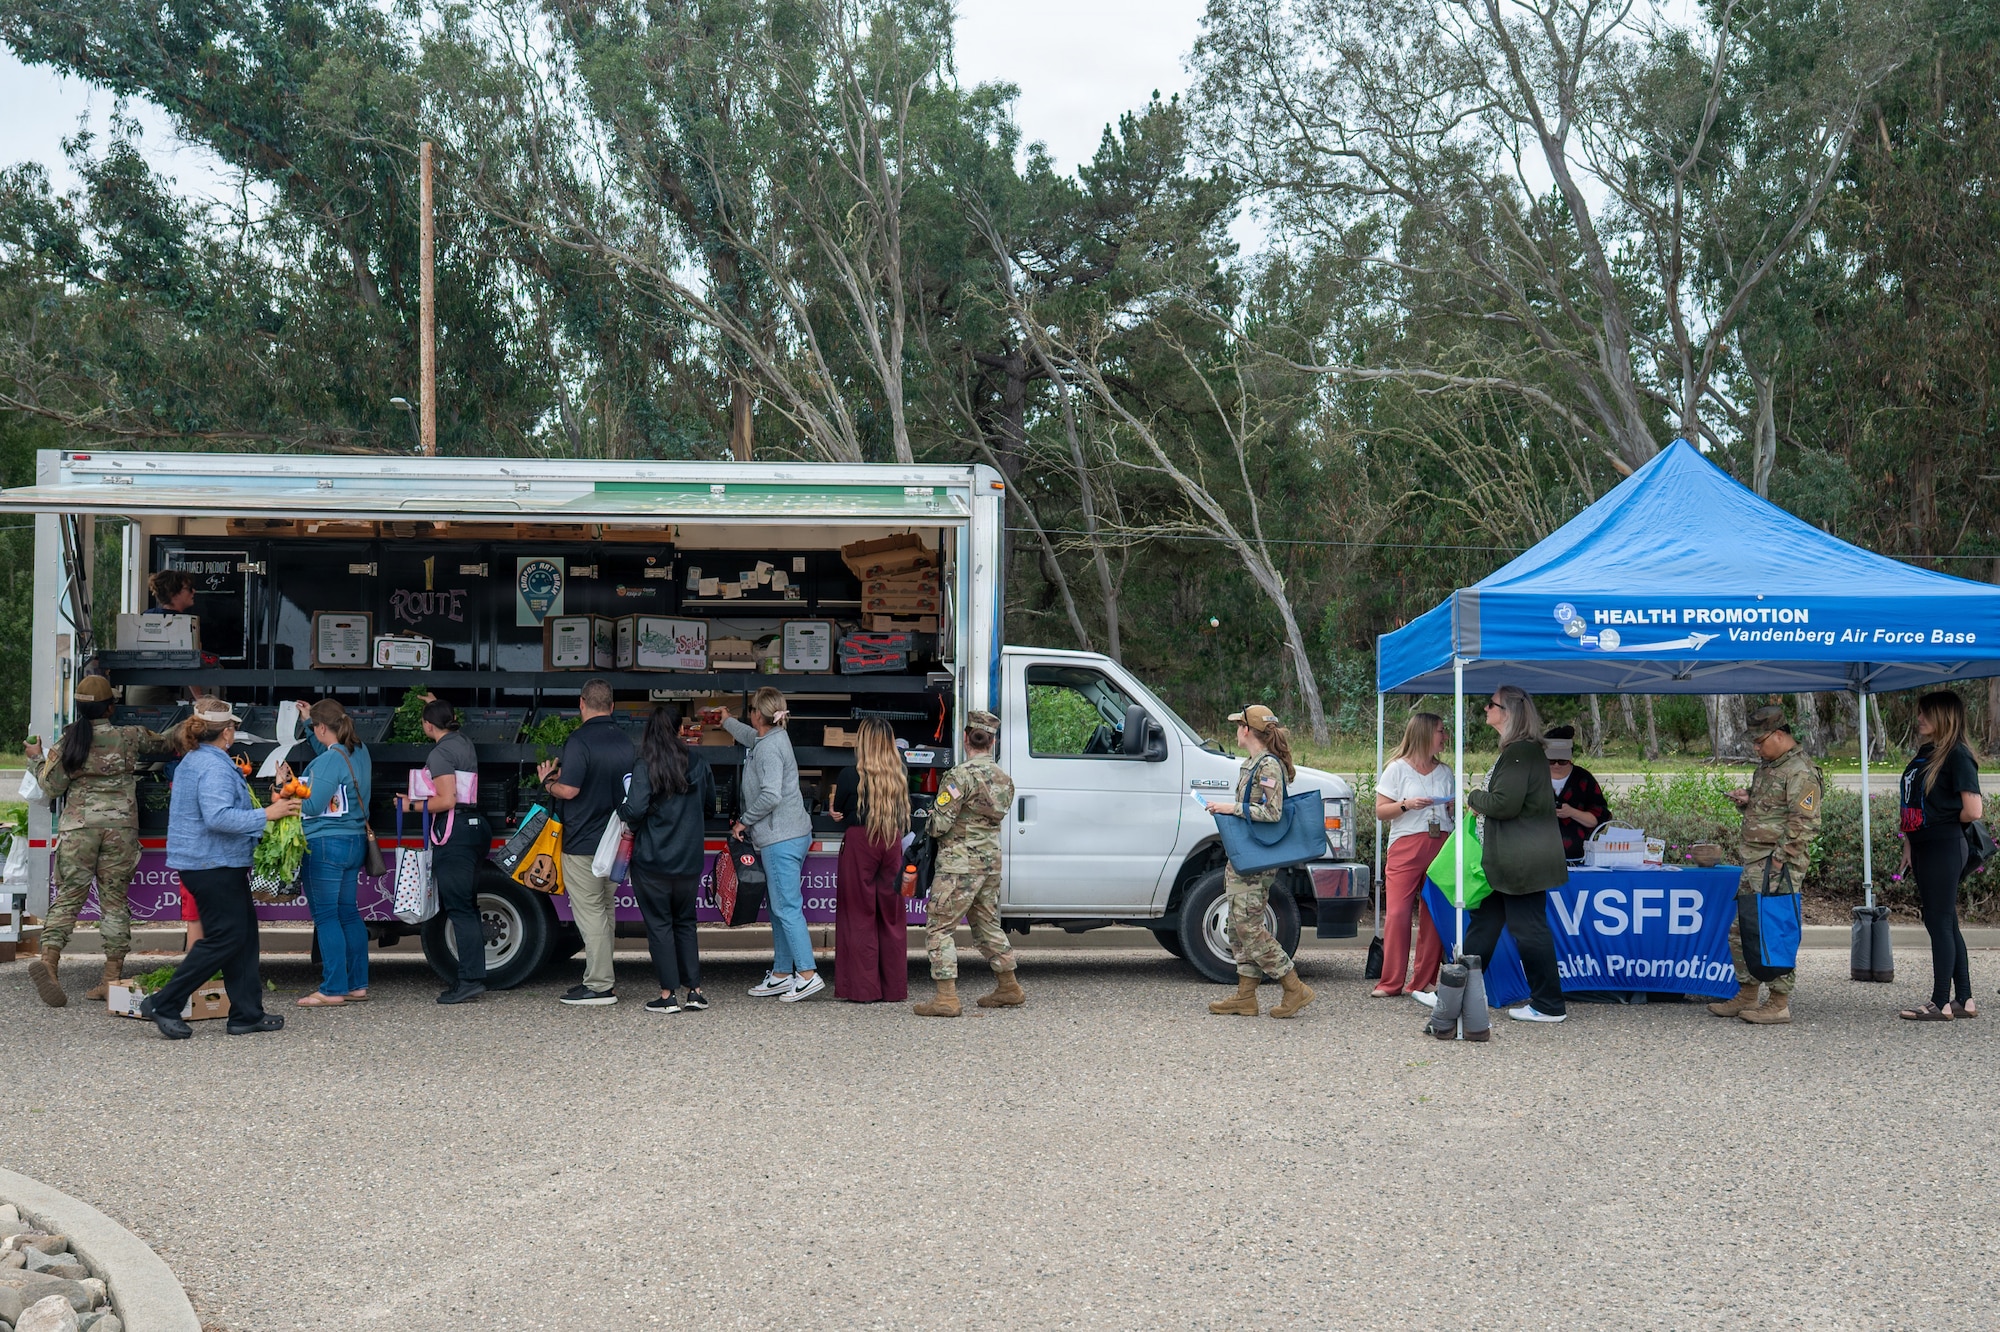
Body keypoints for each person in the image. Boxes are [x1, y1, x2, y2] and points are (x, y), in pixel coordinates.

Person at [140, 698, 299, 1039]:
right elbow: (218, 817)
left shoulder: (195, 760)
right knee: (226, 938)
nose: (235, 734)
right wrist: (267, 815)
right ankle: (164, 1003)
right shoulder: (213, 767)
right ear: (226, 732)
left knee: (243, 936)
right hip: (212, 863)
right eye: (234, 729)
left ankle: (246, 1014)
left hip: (212, 862)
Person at [23, 675, 178, 1007]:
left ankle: (49, 962)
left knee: (68, 899)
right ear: (111, 706)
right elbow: (168, 745)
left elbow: (51, 788)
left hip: (78, 830)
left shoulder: (68, 743)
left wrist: (36, 756)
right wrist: (192, 723)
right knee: (114, 902)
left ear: (79, 709)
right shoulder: (130, 736)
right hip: (120, 829)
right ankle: (111, 978)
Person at [1462, 685, 1569, 1024]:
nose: (1485, 709)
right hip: (1509, 860)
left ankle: (1549, 1004)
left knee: (1529, 929)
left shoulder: (1520, 752)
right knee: (1485, 923)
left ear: (1507, 712)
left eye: (1490, 704)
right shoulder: (1520, 751)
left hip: (1521, 860)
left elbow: (1505, 805)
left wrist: (1474, 797)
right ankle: (1455, 992)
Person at [1709, 705, 1822, 1026]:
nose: (1756, 748)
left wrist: (1779, 862)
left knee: (1775, 930)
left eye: (1760, 742)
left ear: (1779, 735)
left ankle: (1779, 1001)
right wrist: (1749, 801)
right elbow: (1773, 812)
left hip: (1777, 866)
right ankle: (1747, 995)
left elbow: (1805, 823)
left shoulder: (1800, 771)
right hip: (1756, 862)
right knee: (1742, 930)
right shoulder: (1770, 766)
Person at [1203, 704, 1315, 1019]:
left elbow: (1272, 813)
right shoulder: (1253, 764)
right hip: (1243, 858)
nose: (1236, 730)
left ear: (1248, 731)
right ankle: (1245, 996)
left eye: (1239, 725)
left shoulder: (1268, 766)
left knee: (1249, 927)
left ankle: (1294, 987)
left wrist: (1230, 809)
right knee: (1236, 927)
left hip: (1256, 862)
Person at [913, 710, 1022, 1017]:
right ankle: (1008, 986)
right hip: (989, 864)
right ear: (993, 741)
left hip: (958, 866)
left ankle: (946, 998)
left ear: (965, 738)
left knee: (940, 927)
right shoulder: (1004, 779)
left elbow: (940, 825)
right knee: (987, 925)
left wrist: (929, 820)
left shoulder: (959, 776)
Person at [537, 678, 636, 1006]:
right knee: (606, 909)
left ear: (581, 704)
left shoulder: (579, 741)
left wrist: (547, 783)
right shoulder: (625, 740)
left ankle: (599, 985)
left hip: (583, 842)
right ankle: (603, 978)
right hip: (617, 841)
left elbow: (570, 790)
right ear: (611, 706)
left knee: (591, 912)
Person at [617, 706, 717, 1015]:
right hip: (688, 859)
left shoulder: (646, 763)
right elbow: (711, 807)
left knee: (659, 926)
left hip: (652, 860)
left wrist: (621, 810)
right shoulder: (698, 762)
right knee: (686, 923)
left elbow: (633, 811)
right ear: (678, 728)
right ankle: (695, 992)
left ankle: (667, 995)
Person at [725, 687, 820, 1002]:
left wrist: (744, 821)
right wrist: (725, 721)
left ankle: (806, 974)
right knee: (779, 908)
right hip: (787, 834)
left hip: (781, 838)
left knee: (787, 907)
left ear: (757, 714)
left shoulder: (768, 748)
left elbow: (770, 794)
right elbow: (750, 737)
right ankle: (781, 973)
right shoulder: (772, 738)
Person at [1895, 692, 1984, 1021]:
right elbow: (1917, 804)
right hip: (1925, 845)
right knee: (1946, 921)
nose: (1920, 719)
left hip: (1944, 845)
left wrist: (1935, 824)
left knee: (1938, 922)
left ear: (1945, 717)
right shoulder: (1928, 752)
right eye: (1920, 713)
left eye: (1927, 714)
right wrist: (1910, 840)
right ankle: (1964, 999)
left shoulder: (1958, 755)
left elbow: (1973, 810)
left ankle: (1939, 1003)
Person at [400, 697, 489, 1005]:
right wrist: (433, 701)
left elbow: (447, 799)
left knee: (460, 909)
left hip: (456, 833)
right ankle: (472, 976)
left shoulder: (440, 754)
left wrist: (408, 805)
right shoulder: (462, 742)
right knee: (469, 906)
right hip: (476, 828)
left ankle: (469, 981)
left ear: (427, 724)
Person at [294, 699, 374, 1008]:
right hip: (355, 841)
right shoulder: (359, 751)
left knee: (326, 917)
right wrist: (307, 721)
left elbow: (313, 805)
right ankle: (357, 985)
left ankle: (332, 989)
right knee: (348, 913)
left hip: (326, 845)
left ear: (323, 727)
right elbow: (327, 752)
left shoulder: (329, 762)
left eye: (315, 727)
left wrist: (285, 789)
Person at [1372, 711, 1452, 1001]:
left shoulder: (1445, 772)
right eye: (1440, 731)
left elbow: (1450, 812)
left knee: (1434, 913)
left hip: (1441, 843)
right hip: (1406, 845)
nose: (1445, 736)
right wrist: (1406, 804)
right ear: (1424, 734)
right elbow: (1381, 812)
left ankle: (1424, 980)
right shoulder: (1397, 769)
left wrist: (1452, 809)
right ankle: (1390, 981)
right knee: (1397, 913)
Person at [832, 717, 912, 1003]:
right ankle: (894, 989)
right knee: (891, 917)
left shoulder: (849, 775)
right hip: (891, 842)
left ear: (863, 742)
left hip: (860, 842)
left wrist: (834, 812)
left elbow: (839, 808)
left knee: (859, 916)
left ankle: (863, 990)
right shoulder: (900, 771)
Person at [1545, 725, 1612, 862]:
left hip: (1579, 858)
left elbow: (1598, 819)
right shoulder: (1534, 779)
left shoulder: (1584, 779)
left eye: (1562, 761)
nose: (1556, 765)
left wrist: (1572, 812)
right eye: (1551, 761)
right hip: (1539, 860)